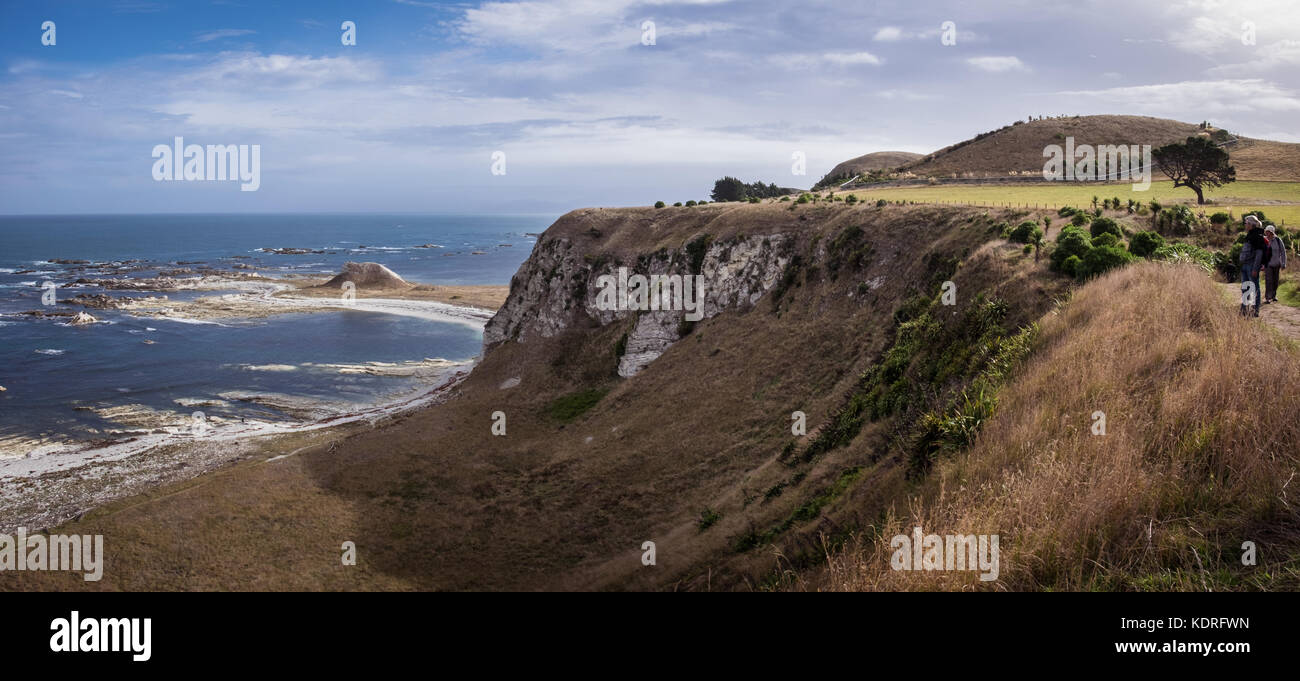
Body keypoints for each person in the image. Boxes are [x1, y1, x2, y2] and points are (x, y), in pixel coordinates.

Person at [1240, 215, 1268, 317]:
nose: (1245, 225)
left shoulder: (1257, 237)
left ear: (1251, 225)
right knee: (1246, 288)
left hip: (1251, 266)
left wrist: (1255, 268)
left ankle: (1255, 310)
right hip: (1246, 265)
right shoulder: (1251, 235)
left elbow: (1259, 254)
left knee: (1254, 288)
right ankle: (1245, 309)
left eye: (1246, 223)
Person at [1263, 224, 1287, 303]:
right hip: (1268, 264)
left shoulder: (1278, 240)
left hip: (1277, 264)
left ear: (1272, 232)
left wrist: (1284, 263)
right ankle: (1268, 297)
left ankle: (1274, 296)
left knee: (1275, 281)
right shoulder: (1264, 240)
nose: (1267, 233)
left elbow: (1283, 252)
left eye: (1268, 232)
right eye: (1266, 231)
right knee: (1268, 280)